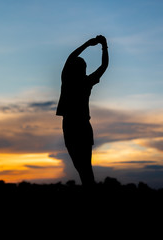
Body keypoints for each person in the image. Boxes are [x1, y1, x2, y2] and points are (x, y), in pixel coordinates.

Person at [56, 35, 109, 188]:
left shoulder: (68, 80)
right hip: (81, 126)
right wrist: (104, 46)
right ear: (83, 69)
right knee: (84, 168)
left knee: (82, 168)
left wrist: (88, 44)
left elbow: (71, 57)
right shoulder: (85, 82)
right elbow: (104, 66)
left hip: (72, 125)